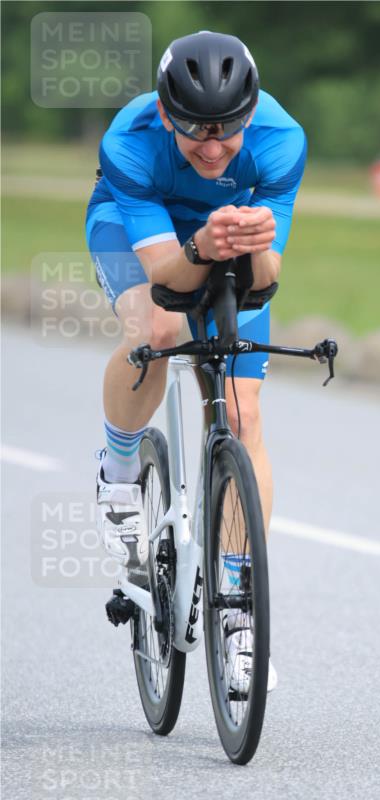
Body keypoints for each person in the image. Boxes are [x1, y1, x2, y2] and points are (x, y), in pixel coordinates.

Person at [86, 31, 307, 692]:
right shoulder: (130, 143)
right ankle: (120, 468)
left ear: (250, 113)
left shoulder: (281, 140)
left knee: (243, 415)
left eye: (227, 133)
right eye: (194, 134)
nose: (213, 149)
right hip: (138, 235)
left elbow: (266, 280)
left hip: (228, 236)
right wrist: (205, 244)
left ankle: (238, 612)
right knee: (157, 327)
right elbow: (168, 281)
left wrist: (253, 248)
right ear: (164, 114)